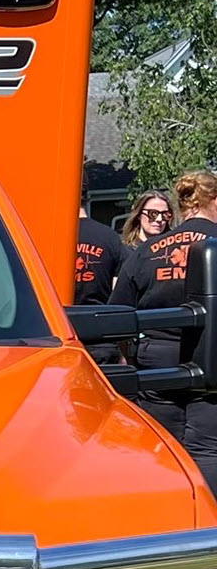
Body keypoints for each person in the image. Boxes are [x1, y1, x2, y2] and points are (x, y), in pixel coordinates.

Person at [109, 170, 217, 492]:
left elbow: (117, 314)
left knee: (161, 449)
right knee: (208, 450)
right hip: (211, 362)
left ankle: (167, 523)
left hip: (158, 365)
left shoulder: (147, 250)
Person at [75, 202, 126, 363]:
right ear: (87, 198)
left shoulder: (47, 235)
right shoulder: (109, 237)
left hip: (59, 335)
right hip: (100, 334)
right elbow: (119, 293)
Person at [120, 189, 175, 263]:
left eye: (165, 214)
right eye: (153, 214)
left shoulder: (173, 249)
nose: (159, 219)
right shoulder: (124, 251)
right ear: (139, 215)